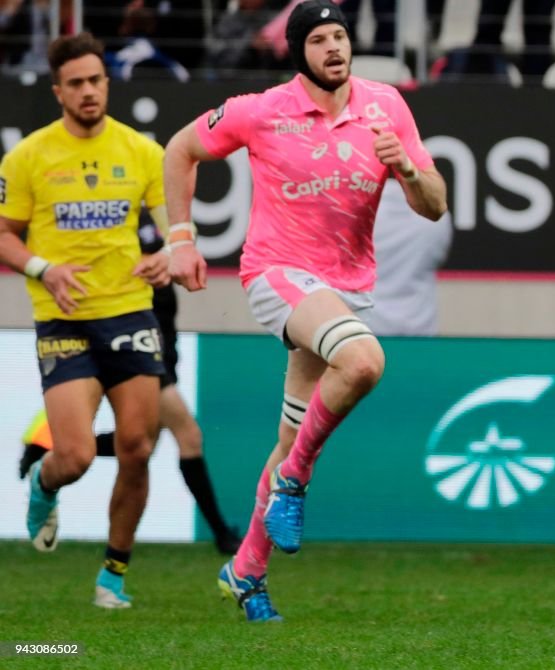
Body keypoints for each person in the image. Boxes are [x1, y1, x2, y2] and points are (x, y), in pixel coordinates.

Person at [163, 0, 447, 622]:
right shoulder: (260, 111)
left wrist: (405, 166)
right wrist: (181, 238)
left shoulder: (386, 105)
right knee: (365, 361)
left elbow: (434, 204)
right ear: (299, 53)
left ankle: (245, 570)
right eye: (319, 39)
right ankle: (295, 482)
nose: (334, 48)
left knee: (290, 435)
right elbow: (180, 150)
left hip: (345, 288)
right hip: (277, 275)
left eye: (340, 35)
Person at [0, 32, 170, 609]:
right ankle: (44, 485)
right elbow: (5, 235)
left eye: (96, 80)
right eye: (76, 83)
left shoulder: (142, 152)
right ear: (58, 92)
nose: (89, 91)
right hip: (65, 320)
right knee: (72, 455)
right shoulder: (28, 157)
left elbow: (174, 225)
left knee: (137, 447)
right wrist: (44, 268)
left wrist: (169, 252)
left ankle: (113, 577)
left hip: (129, 310)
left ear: (106, 82)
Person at [17, 217, 242, 556]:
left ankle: (48, 449)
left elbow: (179, 241)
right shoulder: (111, 226)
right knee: (188, 435)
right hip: (131, 343)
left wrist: (170, 255)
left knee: (142, 443)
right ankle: (222, 534)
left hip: (159, 344)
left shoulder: (156, 221)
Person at [362, 178, 452, 336]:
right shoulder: (436, 209)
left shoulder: (356, 203)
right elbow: (438, 257)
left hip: (363, 329)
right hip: (420, 328)